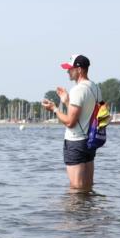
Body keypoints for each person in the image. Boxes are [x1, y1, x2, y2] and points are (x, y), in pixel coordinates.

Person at [40, 54, 102, 192]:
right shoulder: (96, 88)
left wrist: (54, 109)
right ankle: (86, 213)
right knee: (87, 187)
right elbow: (84, 114)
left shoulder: (78, 90)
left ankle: (75, 213)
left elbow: (70, 122)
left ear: (79, 70)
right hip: (90, 141)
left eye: (70, 68)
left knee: (76, 189)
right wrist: (67, 101)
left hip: (75, 142)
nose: (67, 71)